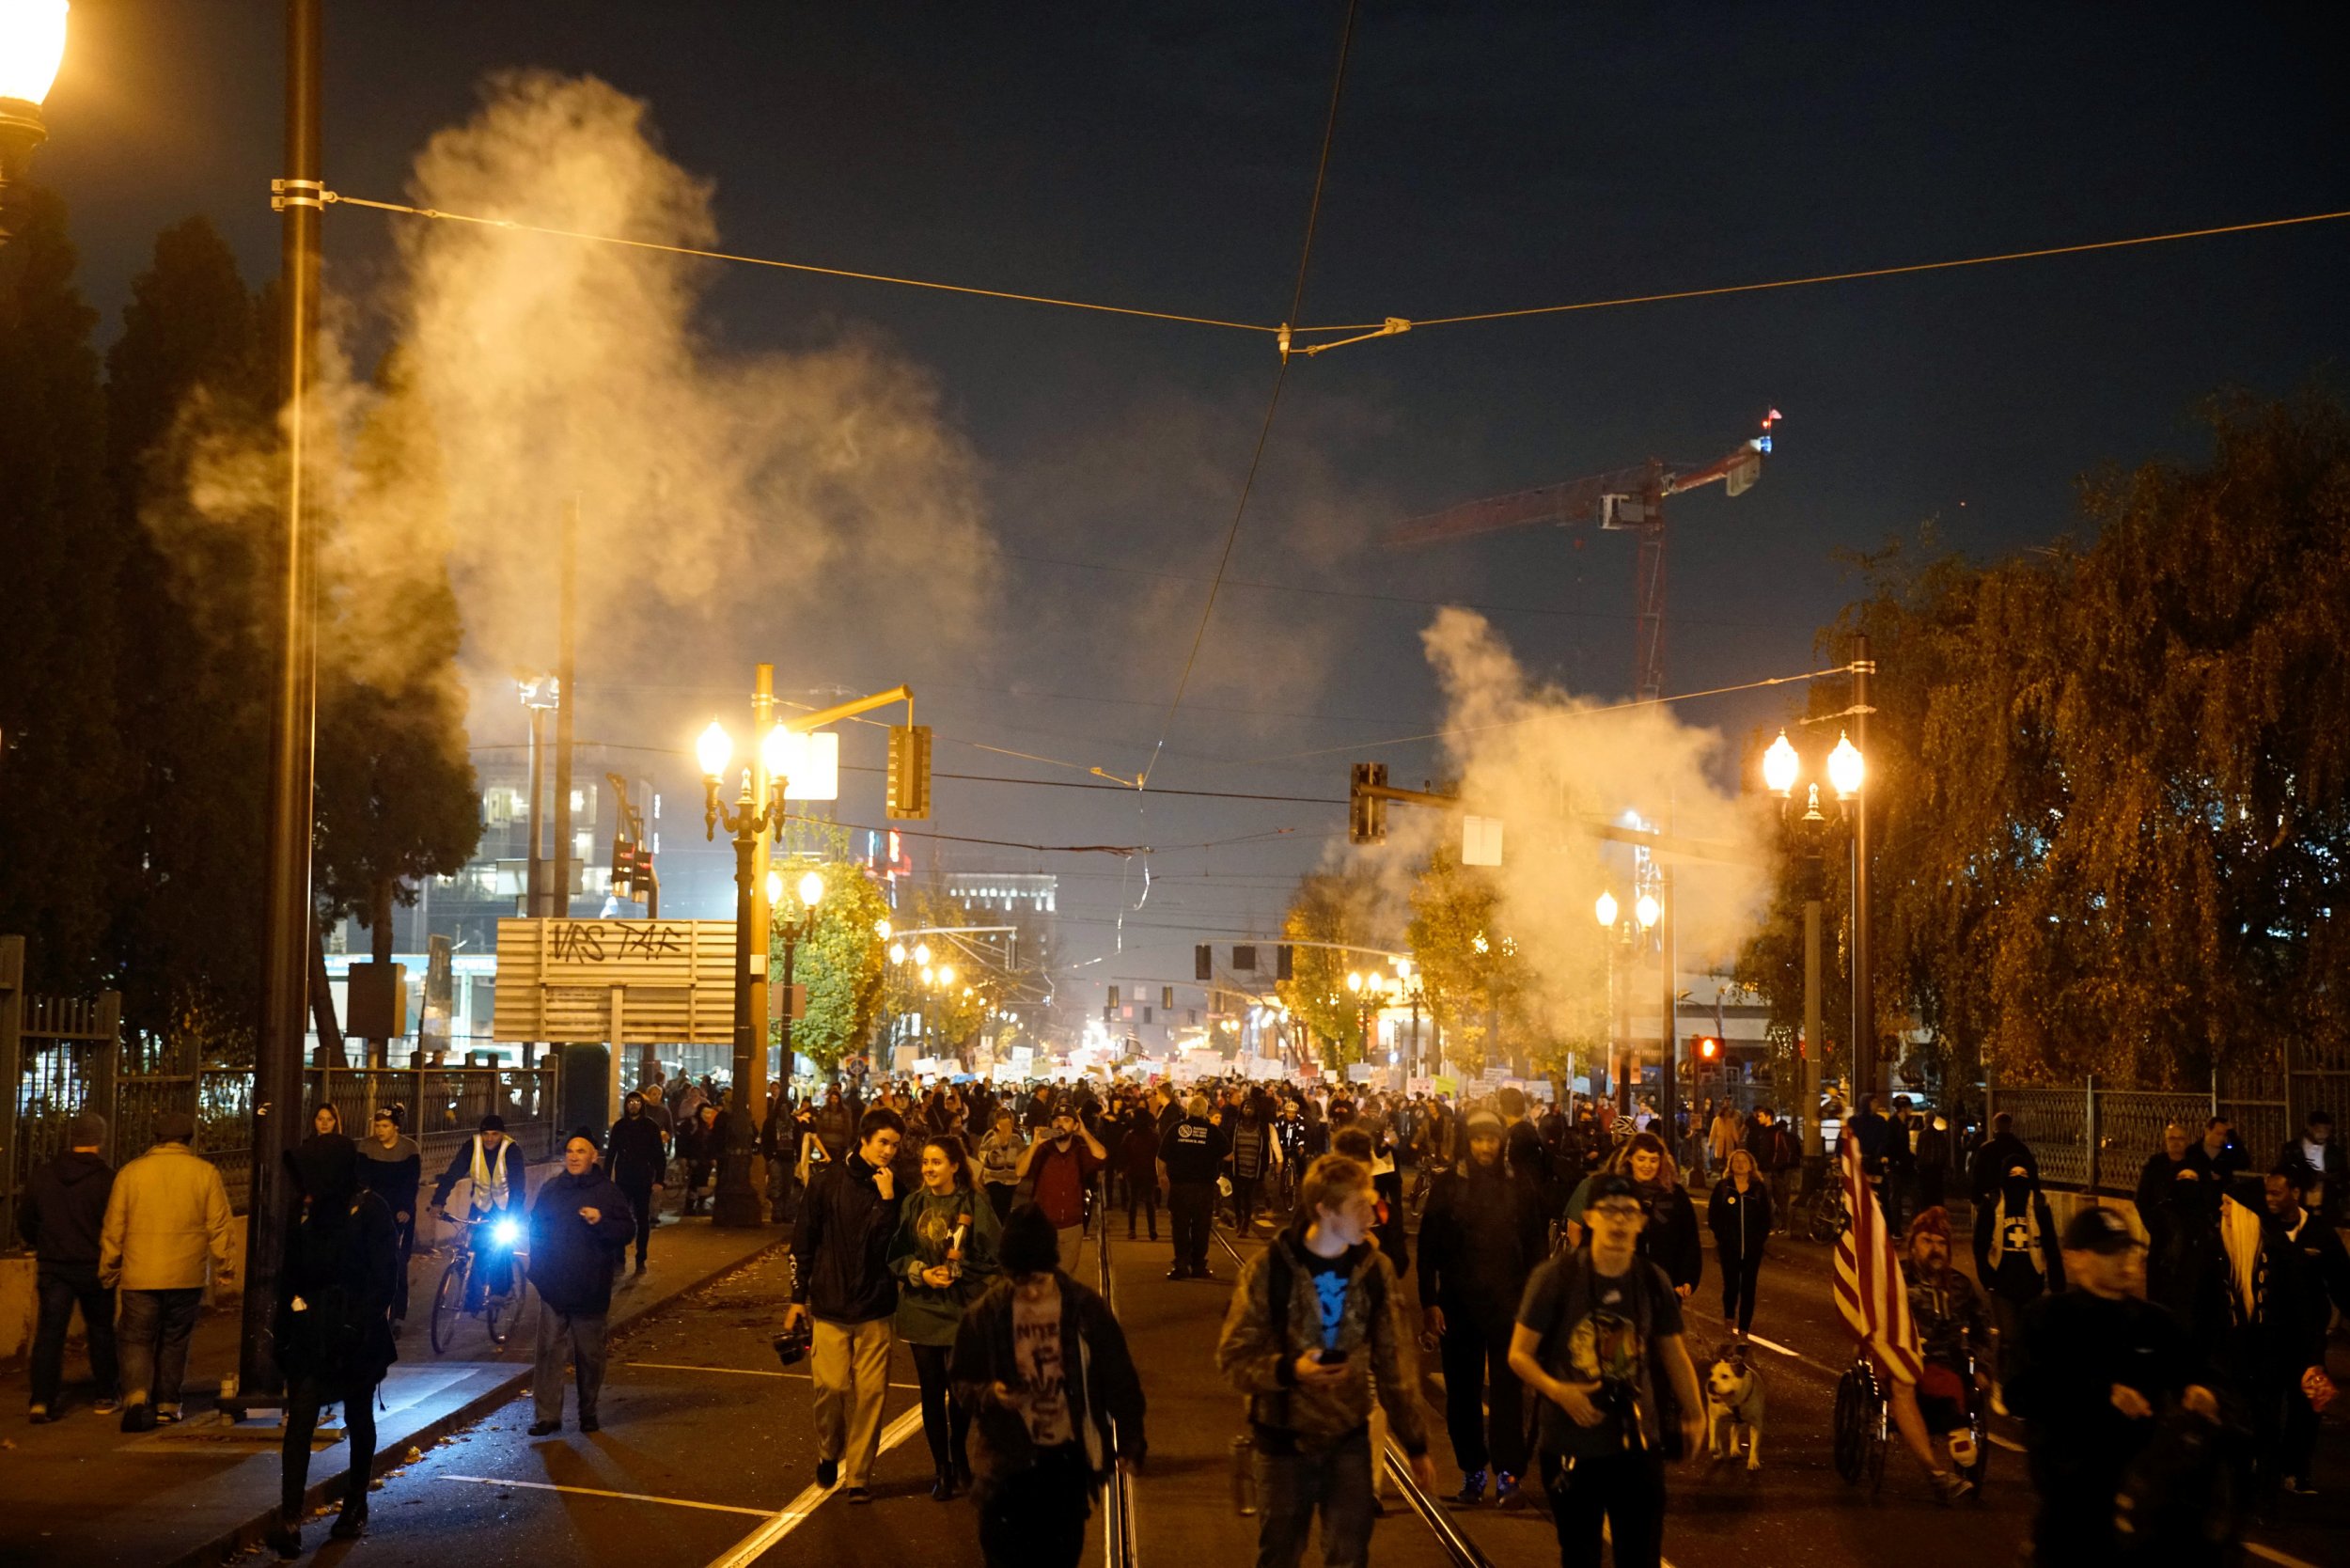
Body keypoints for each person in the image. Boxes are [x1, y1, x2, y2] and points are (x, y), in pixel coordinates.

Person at [1217, 1154, 1436, 1568]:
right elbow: (1232, 1358)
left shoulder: (1376, 1269)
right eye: (1359, 1206)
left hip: (1347, 1439)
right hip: (1282, 1442)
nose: (1373, 1216)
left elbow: (1395, 1362)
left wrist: (1416, 1444)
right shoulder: (1270, 1269)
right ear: (1324, 1209)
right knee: (1279, 1555)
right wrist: (1290, 1370)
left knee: (1349, 1556)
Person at [1509, 1171, 1706, 1568]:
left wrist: (1696, 1413)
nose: (1619, 1220)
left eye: (1629, 1212)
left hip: (1637, 1444)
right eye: (1609, 1211)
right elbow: (1519, 1355)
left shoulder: (1652, 1280)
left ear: (1641, 1221)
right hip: (1571, 1445)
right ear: (1591, 1217)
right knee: (1580, 1555)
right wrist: (1559, 1391)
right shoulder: (1556, 1278)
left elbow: (1673, 1353)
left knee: (1640, 1556)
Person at [2006, 1207, 2221, 1564]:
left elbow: (2200, 1369)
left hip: (2146, 1503)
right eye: (2108, 1252)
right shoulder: (2047, 1319)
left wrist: (2203, 1390)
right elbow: (2020, 1392)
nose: (2124, 1260)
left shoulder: (2155, 1322)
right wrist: (2101, 1392)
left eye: (2127, 1249)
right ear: (2075, 1259)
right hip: (2072, 1505)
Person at [952, 1204, 1146, 1568]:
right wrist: (990, 1394)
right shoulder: (986, 1314)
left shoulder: (1085, 1309)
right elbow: (960, 1381)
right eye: (1021, 1282)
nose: (1033, 1293)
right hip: (1005, 1468)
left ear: (1053, 1267)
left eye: (1039, 1280)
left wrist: (1131, 1440)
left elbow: (1119, 1376)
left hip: (1065, 1467)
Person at [263, 1133, 399, 1556]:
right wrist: (284, 1328)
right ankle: (290, 1518)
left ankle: (355, 1503)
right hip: (310, 1330)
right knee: (300, 1419)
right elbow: (289, 1274)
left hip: (354, 1330)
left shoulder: (371, 1210)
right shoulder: (304, 1212)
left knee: (359, 1415)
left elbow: (384, 1280)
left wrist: (356, 1326)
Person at [1417, 1106, 1545, 1508]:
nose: (1485, 1147)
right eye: (1478, 1139)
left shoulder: (1518, 1184)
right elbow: (1427, 1248)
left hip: (1509, 1305)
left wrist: (1536, 1301)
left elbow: (1537, 1245)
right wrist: (1429, 1302)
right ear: (1467, 1142)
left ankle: (1509, 1474)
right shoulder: (1449, 1186)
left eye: (1491, 1139)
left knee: (1509, 1391)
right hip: (1459, 1304)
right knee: (1462, 1393)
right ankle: (1472, 1470)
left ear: (1501, 1142)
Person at [784, 1106, 905, 1502]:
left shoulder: (894, 1190)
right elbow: (802, 1242)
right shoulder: (826, 1183)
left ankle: (859, 1476)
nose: (888, 1151)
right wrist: (797, 1298)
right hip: (831, 1306)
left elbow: (894, 1249)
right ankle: (827, 1450)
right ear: (864, 1141)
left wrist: (888, 1202)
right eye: (883, 1142)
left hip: (875, 1308)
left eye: (895, 1145)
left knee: (871, 1395)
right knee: (831, 1387)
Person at [101, 1110, 235, 1432]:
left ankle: (135, 1398)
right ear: (189, 1139)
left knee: (135, 1338)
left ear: (156, 1139)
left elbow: (114, 1226)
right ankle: (168, 1404)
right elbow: (219, 1224)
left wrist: (109, 1267)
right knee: (175, 1339)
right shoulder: (205, 1173)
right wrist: (225, 1266)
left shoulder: (130, 1173)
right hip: (186, 1274)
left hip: (140, 1272)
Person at [889, 1134, 1001, 1500]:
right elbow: (896, 1254)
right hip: (922, 1310)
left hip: (961, 1311)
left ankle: (959, 1458)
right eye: (925, 1162)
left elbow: (995, 1256)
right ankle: (942, 1467)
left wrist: (959, 1271)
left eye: (936, 1162)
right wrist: (921, 1272)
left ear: (955, 1166)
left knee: (960, 1392)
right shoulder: (913, 1203)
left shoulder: (974, 1204)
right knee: (931, 1392)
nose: (929, 1169)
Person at [525, 1131, 634, 1436]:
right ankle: (547, 1416)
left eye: (580, 1151)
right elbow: (536, 1227)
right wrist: (539, 1268)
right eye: (570, 1151)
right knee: (548, 1351)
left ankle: (588, 1411)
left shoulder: (607, 1192)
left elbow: (626, 1231)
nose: (573, 1156)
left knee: (589, 1354)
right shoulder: (551, 1189)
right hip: (553, 1285)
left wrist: (601, 1222)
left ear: (593, 1156)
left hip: (589, 1286)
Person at [2254, 1165, 2350, 1496]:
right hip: (2268, 1334)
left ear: (2295, 1193)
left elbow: (2341, 1281)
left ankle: (2296, 1472)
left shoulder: (2320, 1234)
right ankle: (2265, 1468)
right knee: (2266, 1403)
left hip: (2308, 1338)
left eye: (2276, 1193)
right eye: (2267, 1192)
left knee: (2307, 1405)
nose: (2270, 1199)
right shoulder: (2260, 1230)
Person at [20, 1114, 118, 1422]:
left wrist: (43, 1243)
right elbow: (116, 1224)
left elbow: (25, 1219)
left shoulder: (44, 1175)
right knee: (101, 1330)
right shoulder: (107, 1179)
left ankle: (42, 1400)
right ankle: (105, 1393)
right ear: (100, 1140)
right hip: (94, 1265)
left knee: (50, 1333)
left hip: (54, 1266)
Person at [1888, 1207, 1984, 1503]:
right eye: (1928, 1241)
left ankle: (1956, 1429)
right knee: (1904, 1381)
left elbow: (1981, 1329)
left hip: (1944, 1362)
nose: (1935, 1249)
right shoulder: (1895, 1276)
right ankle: (1935, 1473)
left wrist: (1983, 1367)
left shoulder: (1960, 1286)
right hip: (1901, 1357)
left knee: (1954, 1385)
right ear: (1914, 1243)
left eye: (1941, 1243)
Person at [1971, 1152, 2063, 1400]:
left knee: (2029, 1338)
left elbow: (2051, 1244)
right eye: (2013, 1174)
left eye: (2024, 1174)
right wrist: (1986, 1275)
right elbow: (1980, 1242)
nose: (2019, 1178)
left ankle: (2025, 1388)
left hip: (2032, 1281)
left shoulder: (2039, 1203)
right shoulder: (1994, 1202)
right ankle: (2002, 1384)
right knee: (2009, 1338)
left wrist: (2057, 1281)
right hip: (2001, 1283)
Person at [429, 1113, 528, 1309]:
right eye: (485, 1134)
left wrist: (512, 1215)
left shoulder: (511, 1150)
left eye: (495, 1134)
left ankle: (502, 1291)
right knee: (471, 1250)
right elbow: (452, 1174)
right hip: (480, 1205)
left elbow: (518, 1186)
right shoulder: (471, 1147)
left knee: (502, 1246)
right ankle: (473, 1294)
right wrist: (438, 1202)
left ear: (502, 1135)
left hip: (504, 1207)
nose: (489, 1138)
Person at [2136, 1121, 2218, 1317]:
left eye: (2180, 1138)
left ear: (2187, 1141)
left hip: (2190, 1237)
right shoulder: (2155, 1166)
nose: (2176, 1143)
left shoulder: (2197, 1165)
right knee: (2157, 1288)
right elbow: (2142, 1199)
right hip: (2161, 1235)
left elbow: (2207, 1198)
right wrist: (2154, 1225)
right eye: (2172, 1138)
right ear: (2165, 1141)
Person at [1017, 1106, 1106, 1273]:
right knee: (1043, 1277)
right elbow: (1020, 1171)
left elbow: (1101, 1155)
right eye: (1057, 1120)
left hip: (1072, 1227)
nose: (1060, 1124)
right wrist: (1034, 1144)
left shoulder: (1080, 1150)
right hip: (1043, 1228)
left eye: (1066, 1120)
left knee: (1064, 1280)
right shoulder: (1043, 1150)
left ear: (1075, 1126)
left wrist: (1085, 1133)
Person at [355, 1108, 421, 1329]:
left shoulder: (409, 1149)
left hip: (399, 1213)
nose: (380, 1130)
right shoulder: (367, 1147)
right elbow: (362, 1179)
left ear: (395, 1127)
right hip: (373, 1211)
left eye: (385, 1126)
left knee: (397, 1263)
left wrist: (405, 1209)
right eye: (377, 1125)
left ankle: (398, 1315)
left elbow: (411, 1183)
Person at [1158, 1093, 1229, 1281]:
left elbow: (1161, 1156)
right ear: (1205, 1112)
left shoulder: (1176, 1129)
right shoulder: (1212, 1131)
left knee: (1180, 1227)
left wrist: (1161, 1176)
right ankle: (1198, 1265)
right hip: (1203, 1187)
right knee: (1201, 1227)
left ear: (1188, 1111)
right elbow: (1229, 1154)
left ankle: (1181, 1265)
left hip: (1180, 1186)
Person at [1706, 1147, 1771, 1337]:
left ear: (1751, 1165)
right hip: (1730, 1248)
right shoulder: (1724, 1187)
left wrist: (1759, 1240)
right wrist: (1722, 1237)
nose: (1740, 1164)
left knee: (1749, 1289)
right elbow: (1714, 1215)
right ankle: (1728, 1321)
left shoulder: (1758, 1189)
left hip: (1752, 1249)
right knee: (1731, 1287)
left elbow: (1765, 1218)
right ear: (1731, 1165)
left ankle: (1744, 1329)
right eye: (1736, 1161)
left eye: (1744, 1161)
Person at [605, 1091, 668, 1276]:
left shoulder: (650, 1127)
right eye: (630, 1101)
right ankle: (620, 1255)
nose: (633, 1105)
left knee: (642, 1219)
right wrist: (605, 1178)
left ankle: (641, 1256)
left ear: (642, 1105)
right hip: (623, 1179)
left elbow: (659, 1156)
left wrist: (659, 1180)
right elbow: (611, 1155)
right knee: (621, 1218)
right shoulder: (620, 1127)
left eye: (637, 1102)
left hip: (642, 1179)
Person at [2277, 1108, 2340, 1228]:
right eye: (2319, 1130)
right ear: (2310, 1128)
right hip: (2299, 1207)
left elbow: (2343, 1176)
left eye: (2326, 1131)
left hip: (2326, 1209)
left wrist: (2329, 1179)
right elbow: (2283, 1173)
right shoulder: (2292, 1150)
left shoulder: (2334, 1152)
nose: (2322, 1134)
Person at [1226, 1094, 1276, 1233]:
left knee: (1248, 1197)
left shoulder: (1260, 1128)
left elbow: (1265, 1149)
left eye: (1251, 1107)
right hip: (1237, 1167)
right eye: (1246, 1107)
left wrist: (1263, 1168)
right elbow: (1228, 1144)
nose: (1248, 1110)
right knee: (1236, 1196)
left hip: (1253, 1168)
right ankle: (1239, 1219)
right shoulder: (1235, 1126)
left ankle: (1245, 1224)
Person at [1116, 1108, 1160, 1241]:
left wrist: (1121, 1169)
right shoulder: (1154, 1135)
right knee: (1149, 1201)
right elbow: (1159, 1154)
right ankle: (1152, 1229)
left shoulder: (1130, 1135)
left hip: (1134, 1171)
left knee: (1133, 1201)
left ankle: (1132, 1229)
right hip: (1149, 1171)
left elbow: (1123, 1153)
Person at [979, 1108, 1027, 1223]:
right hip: (993, 1177)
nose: (1005, 1128)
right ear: (997, 1124)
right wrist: (990, 1157)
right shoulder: (990, 1136)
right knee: (996, 1205)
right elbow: (982, 1153)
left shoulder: (1017, 1136)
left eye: (1008, 1124)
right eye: (1002, 1125)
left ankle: (1002, 1227)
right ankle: (997, 1228)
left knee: (1006, 1204)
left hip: (1011, 1178)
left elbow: (1022, 1153)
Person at [677, 1100, 723, 1216]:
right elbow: (683, 1141)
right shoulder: (691, 1124)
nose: (707, 1116)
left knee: (701, 1182)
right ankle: (692, 1205)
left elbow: (711, 1144)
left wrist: (712, 1158)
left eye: (709, 1113)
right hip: (695, 1159)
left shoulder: (707, 1126)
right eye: (705, 1113)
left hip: (704, 1161)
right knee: (696, 1182)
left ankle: (697, 1204)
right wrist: (685, 1157)